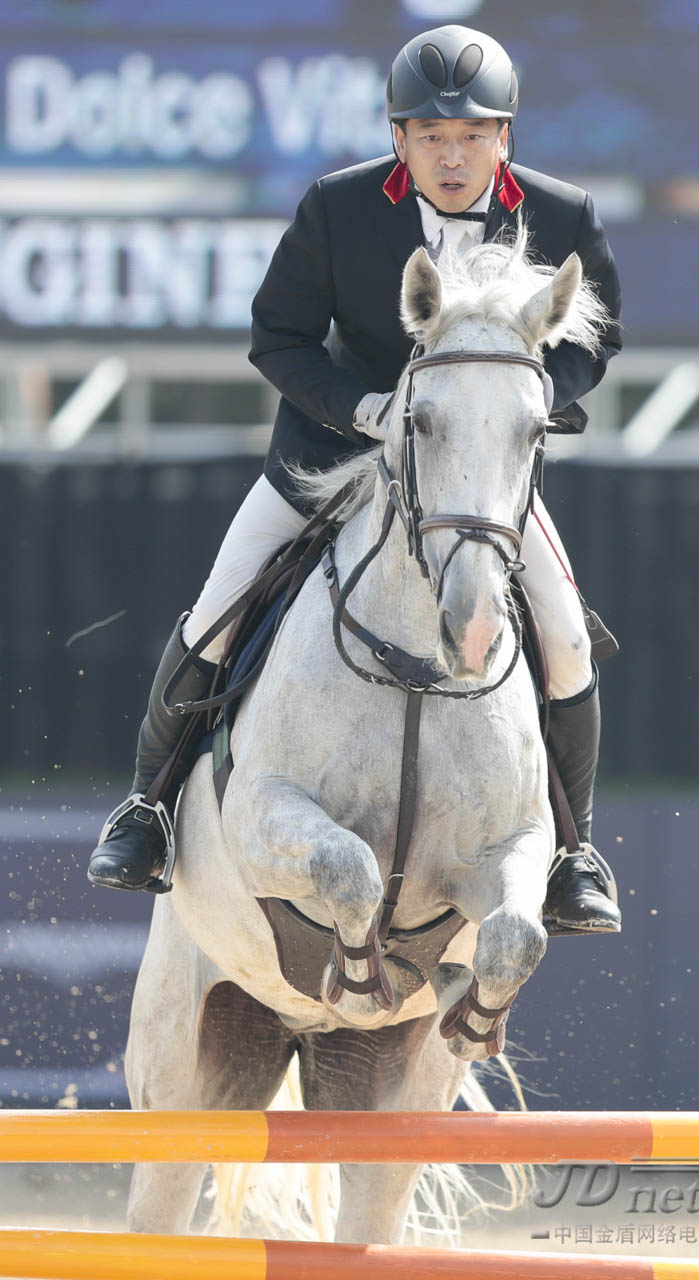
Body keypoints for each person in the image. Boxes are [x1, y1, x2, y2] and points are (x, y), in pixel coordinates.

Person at [87, 24, 623, 938]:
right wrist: (363, 410)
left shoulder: (561, 213)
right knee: (218, 612)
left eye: (471, 137)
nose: (451, 157)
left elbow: (595, 341)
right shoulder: (336, 208)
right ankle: (147, 809)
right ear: (398, 134)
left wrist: (532, 397)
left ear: (504, 137)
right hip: (328, 460)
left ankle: (573, 854)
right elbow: (278, 339)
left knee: (566, 641)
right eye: (430, 137)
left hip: (471, 480)